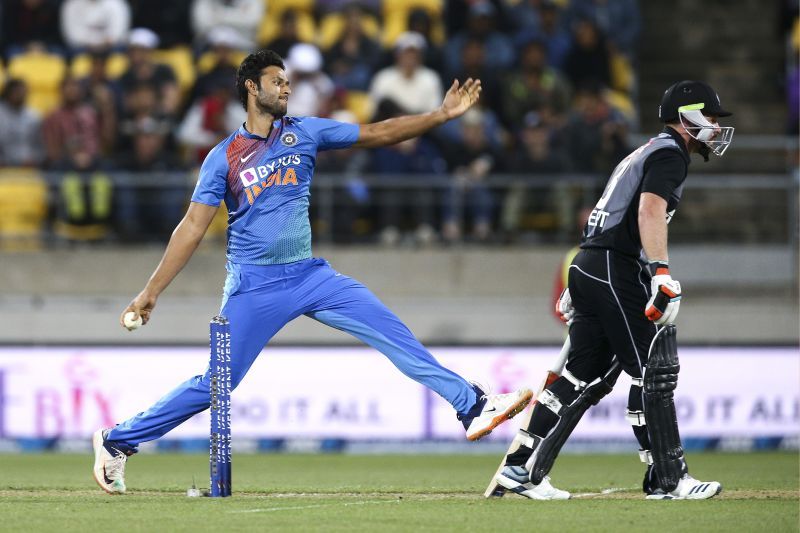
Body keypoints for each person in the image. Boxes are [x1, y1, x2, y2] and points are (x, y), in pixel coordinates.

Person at [91, 49, 533, 494]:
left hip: (310, 277)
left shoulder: (304, 131)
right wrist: (150, 292)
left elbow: (377, 133)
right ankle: (117, 441)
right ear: (251, 87)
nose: (286, 88)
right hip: (253, 286)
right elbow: (191, 228)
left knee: (391, 331)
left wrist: (440, 116)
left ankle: (471, 405)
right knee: (215, 386)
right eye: (277, 81)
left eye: (287, 82)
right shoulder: (223, 157)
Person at [492, 80, 734, 500]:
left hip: (592, 262)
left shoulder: (643, 150)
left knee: (579, 376)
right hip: (611, 265)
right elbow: (649, 209)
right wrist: (660, 271)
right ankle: (669, 478)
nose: (714, 127)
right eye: (709, 117)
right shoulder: (670, 153)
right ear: (687, 117)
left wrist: (582, 277)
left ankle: (520, 469)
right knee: (653, 370)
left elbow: (610, 210)